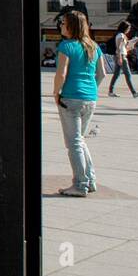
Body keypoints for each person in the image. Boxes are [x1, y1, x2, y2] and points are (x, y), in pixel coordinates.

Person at [53, 10, 103, 197]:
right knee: (80, 141)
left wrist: (56, 92)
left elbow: (61, 73)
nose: (61, 26)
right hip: (90, 98)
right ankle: (90, 179)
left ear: (72, 26)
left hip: (71, 97)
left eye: (64, 23)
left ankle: (80, 184)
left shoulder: (66, 46)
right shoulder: (94, 46)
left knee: (73, 143)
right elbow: (102, 73)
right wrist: (91, 89)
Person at [107, 21, 138, 98]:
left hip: (121, 55)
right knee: (128, 74)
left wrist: (132, 42)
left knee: (116, 74)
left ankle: (111, 91)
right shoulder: (121, 36)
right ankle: (134, 92)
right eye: (128, 28)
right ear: (125, 28)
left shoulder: (121, 35)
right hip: (121, 56)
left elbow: (124, 47)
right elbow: (119, 48)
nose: (129, 30)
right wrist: (119, 58)